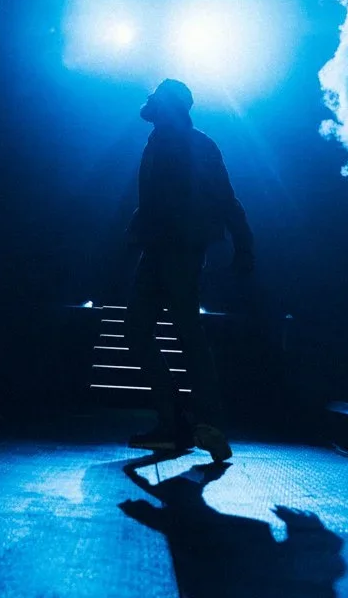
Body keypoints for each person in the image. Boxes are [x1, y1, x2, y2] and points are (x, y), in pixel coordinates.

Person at [125, 79, 254, 461]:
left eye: (156, 97)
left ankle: (200, 423)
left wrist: (244, 243)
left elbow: (226, 198)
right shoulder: (159, 142)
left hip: (180, 250)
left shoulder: (197, 145)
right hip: (161, 249)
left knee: (186, 335)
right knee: (151, 331)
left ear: (170, 106)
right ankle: (179, 423)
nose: (149, 100)